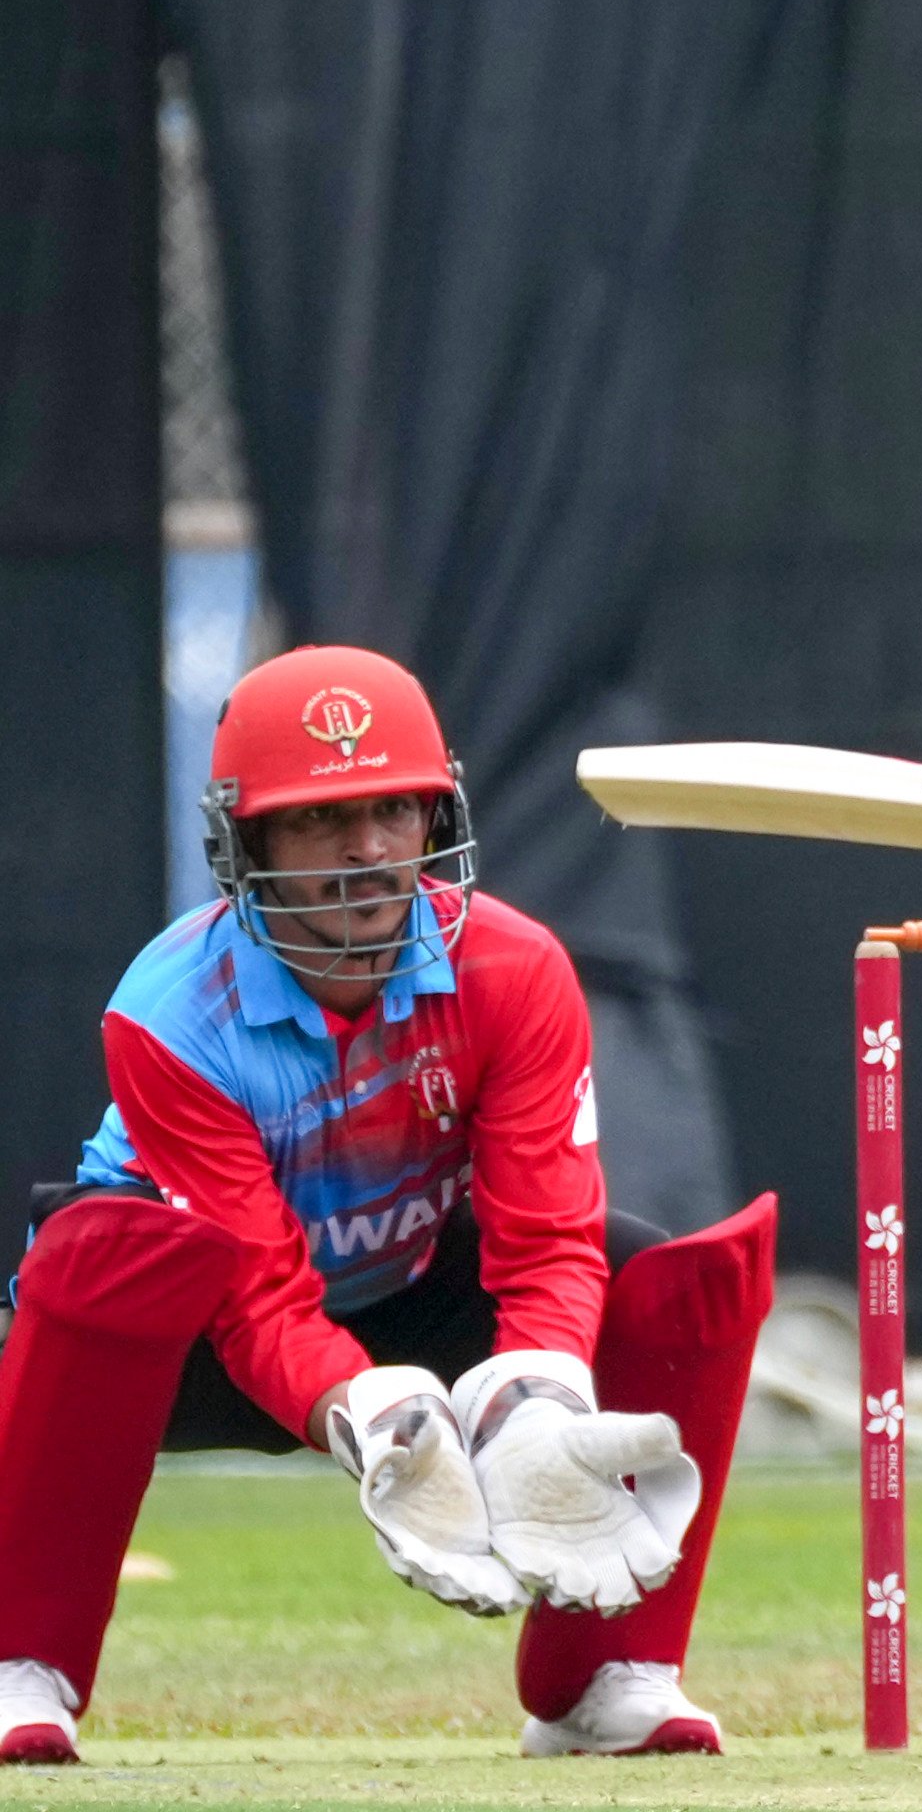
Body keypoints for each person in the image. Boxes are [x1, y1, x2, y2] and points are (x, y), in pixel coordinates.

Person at [0, 645, 774, 1764]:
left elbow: (549, 1237)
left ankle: (607, 1675)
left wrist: (536, 1403)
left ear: (435, 814)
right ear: (245, 841)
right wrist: (372, 1412)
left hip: (409, 1290)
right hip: (196, 1335)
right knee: (94, 1251)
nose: (367, 851)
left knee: (670, 1278)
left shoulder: (514, 967)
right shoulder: (166, 1014)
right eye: (320, 820)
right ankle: (22, 1661)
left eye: (392, 810)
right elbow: (256, 1289)